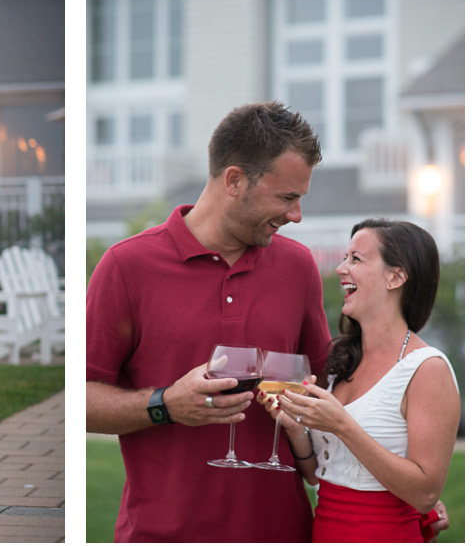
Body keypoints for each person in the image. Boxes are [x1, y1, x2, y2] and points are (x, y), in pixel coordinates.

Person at [86, 101, 332, 542]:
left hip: (281, 536)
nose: (296, 215)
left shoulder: (298, 267)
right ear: (235, 180)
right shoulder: (127, 266)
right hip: (162, 537)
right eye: (287, 197)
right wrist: (165, 404)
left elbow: (331, 392)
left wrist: (398, 482)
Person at [263, 219, 459, 542]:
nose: (341, 269)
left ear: (395, 277)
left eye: (356, 259)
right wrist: (295, 425)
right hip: (325, 533)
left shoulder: (427, 369)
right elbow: (316, 474)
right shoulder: (342, 363)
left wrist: (342, 425)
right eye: (345, 257)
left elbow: (426, 495)